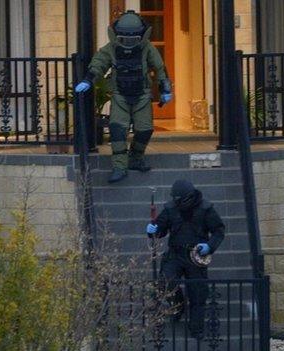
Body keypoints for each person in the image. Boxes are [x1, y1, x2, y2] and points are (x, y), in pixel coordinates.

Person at [74, 10, 173, 183]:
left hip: (142, 95)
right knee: (118, 131)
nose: (127, 42)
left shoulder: (147, 48)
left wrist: (165, 89)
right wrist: (88, 80)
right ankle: (120, 166)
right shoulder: (110, 49)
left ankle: (135, 157)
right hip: (120, 96)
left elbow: (160, 68)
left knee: (145, 129)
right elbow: (98, 64)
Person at [146, 179, 225, 339]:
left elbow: (218, 230)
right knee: (166, 282)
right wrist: (152, 230)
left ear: (188, 197)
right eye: (174, 199)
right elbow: (160, 231)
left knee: (197, 293)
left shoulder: (205, 208)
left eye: (178, 199)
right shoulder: (170, 209)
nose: (176, 201)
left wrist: (210, 246)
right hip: (175, 254)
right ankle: (178, 305)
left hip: (196, 255)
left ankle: (196, 328)